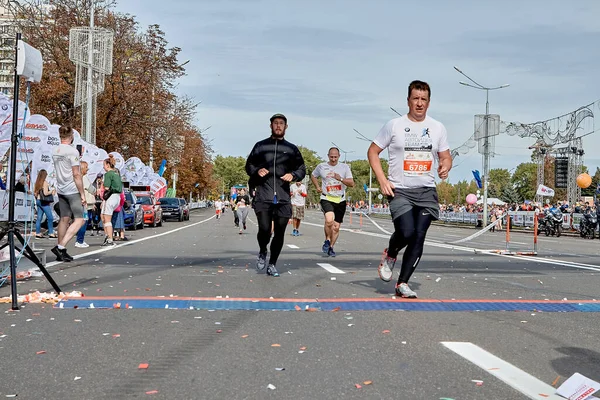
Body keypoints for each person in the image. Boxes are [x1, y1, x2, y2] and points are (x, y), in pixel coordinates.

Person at [368, 80, 452, 298]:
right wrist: (382, 180)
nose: (419, 103)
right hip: (401, 190)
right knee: (406, 232)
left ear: (429, 102)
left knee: (418, 236)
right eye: (415, 98)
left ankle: (402, 283)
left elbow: (445, 156)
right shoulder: (394, 125)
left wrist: (445, 166)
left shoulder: (437, 128)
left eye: (424, 99)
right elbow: (373, 152)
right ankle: (391, 252)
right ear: (408, 100)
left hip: (426, 191)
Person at [245, 113, 306, 277]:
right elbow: (248, 165)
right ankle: (263, 250)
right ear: (271, 126)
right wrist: (257, 171)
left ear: (286, 127)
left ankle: (272, 264)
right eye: (275, 123)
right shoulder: (261, 146)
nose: (278, 126)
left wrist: (293, 175)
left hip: (283, 196)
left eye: (281, 123)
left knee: (279, 233)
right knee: (265, 229)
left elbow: (302, 169)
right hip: (263, 195)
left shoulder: (291, 149)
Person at [50, 125, 88, 262]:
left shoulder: (55, 150)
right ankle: (60, 247)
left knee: (64, 219)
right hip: (72, 189)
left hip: (61, 188)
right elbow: (76, 174)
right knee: (80, 219)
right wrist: (82, 194)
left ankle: (61, 251)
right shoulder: (72, 152)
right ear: (71, 136)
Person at [311, 147, 354, 257]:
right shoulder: (321, 166)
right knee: (329, 220)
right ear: (328, 156)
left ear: (339, 156)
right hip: (327, 197)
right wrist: (317, 186)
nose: (333, 159)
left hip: (340, 199)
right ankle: (327, 239)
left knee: (336, 227)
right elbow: (313, 175)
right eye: (331, 157)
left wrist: (341, 179)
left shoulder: (344, 167)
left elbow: (351, 183)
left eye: (335, 157)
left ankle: (331, 246)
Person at [100, 154, 123, 247]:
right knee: (103, 216)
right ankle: (108, 236)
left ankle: (109, 239)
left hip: (111, 196)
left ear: (108, 165)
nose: (103, 167)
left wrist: (102, 184)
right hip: (117, 197)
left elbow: (106, 187)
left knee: (107, 219)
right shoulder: (116, 174)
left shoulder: (108, 174)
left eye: (104, 165)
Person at [75, 161, 96, 248]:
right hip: (85, 204)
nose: (88, 169)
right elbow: (91, 189)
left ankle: (80, 240)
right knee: (84, 222)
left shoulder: (80, 178)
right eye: (86, 167)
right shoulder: (83, 178)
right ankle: (79, 241)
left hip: (86, 203)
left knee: (84, 221)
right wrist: (95, 190)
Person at [33, 169, 57, 239]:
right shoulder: (45, 182)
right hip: (44, 202)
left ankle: (38, 233)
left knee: (39, 218)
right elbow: (46, 193)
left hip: (38, 200)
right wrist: (52, 191)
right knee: (50, 218)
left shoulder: (36, 182)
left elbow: (35, 193)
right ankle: (51, 233)